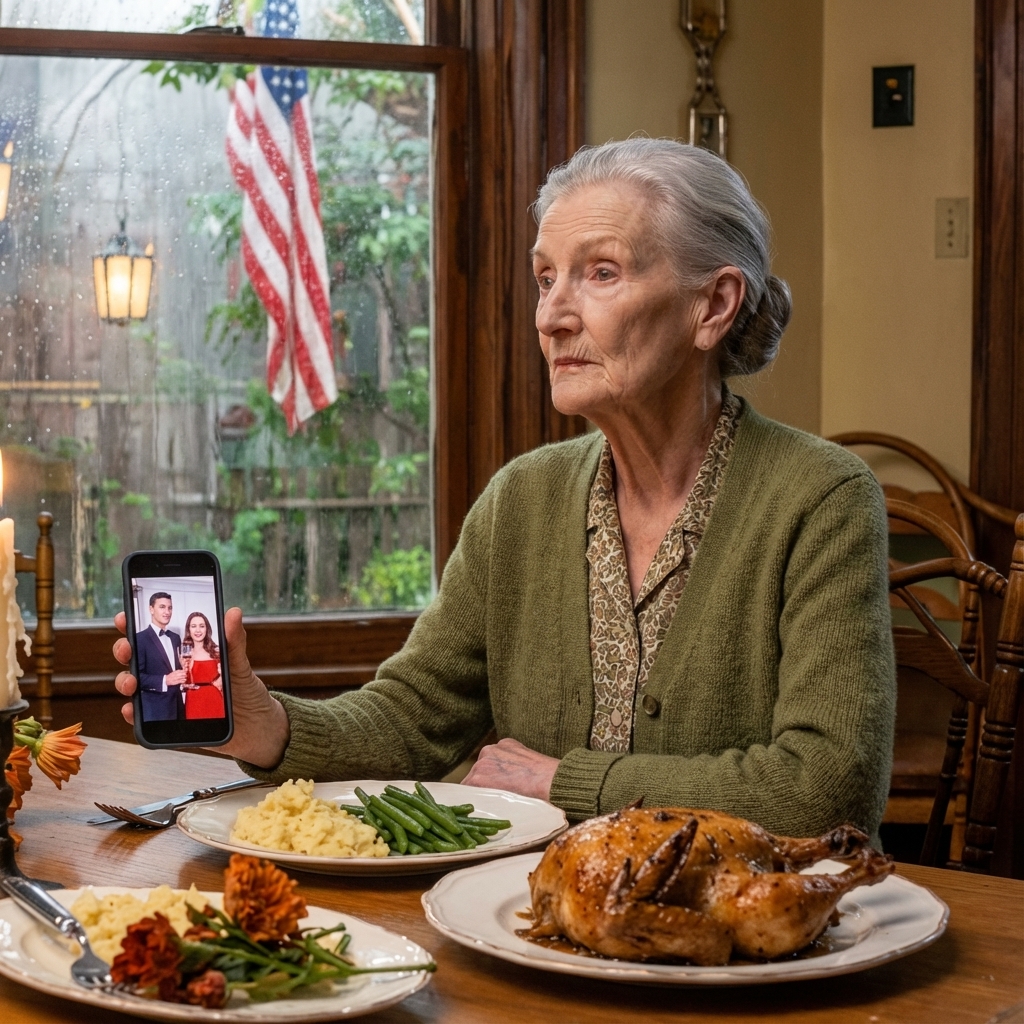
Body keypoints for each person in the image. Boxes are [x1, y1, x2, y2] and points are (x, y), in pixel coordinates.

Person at [113, 139, 896, 843]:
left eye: (600, 272)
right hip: (531, 922)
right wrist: (270, 726)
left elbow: (826, 790)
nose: (552, 315)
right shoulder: (522, 498)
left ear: (713, 305)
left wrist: (562, 783)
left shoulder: (821, 497)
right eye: (546, 277)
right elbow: (415, 719)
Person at [135, 592, 185, 722]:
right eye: (162, 607)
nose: (167, 611)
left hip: (179, 706)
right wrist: (165, 680)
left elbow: (178, 669)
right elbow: (137, 677)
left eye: (170, 607)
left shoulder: (175, 638)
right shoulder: (139, 639)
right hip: (155, 710)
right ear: (151, 609)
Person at [182, 611, 225, 720]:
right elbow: (183, 683)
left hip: (214, 699)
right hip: (193, 701)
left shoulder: (217, 652)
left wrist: (221, 678)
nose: (198, 630)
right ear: (189, 630)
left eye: (201, 626)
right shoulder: (184, 654)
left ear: (207, 629)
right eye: (193, 626)